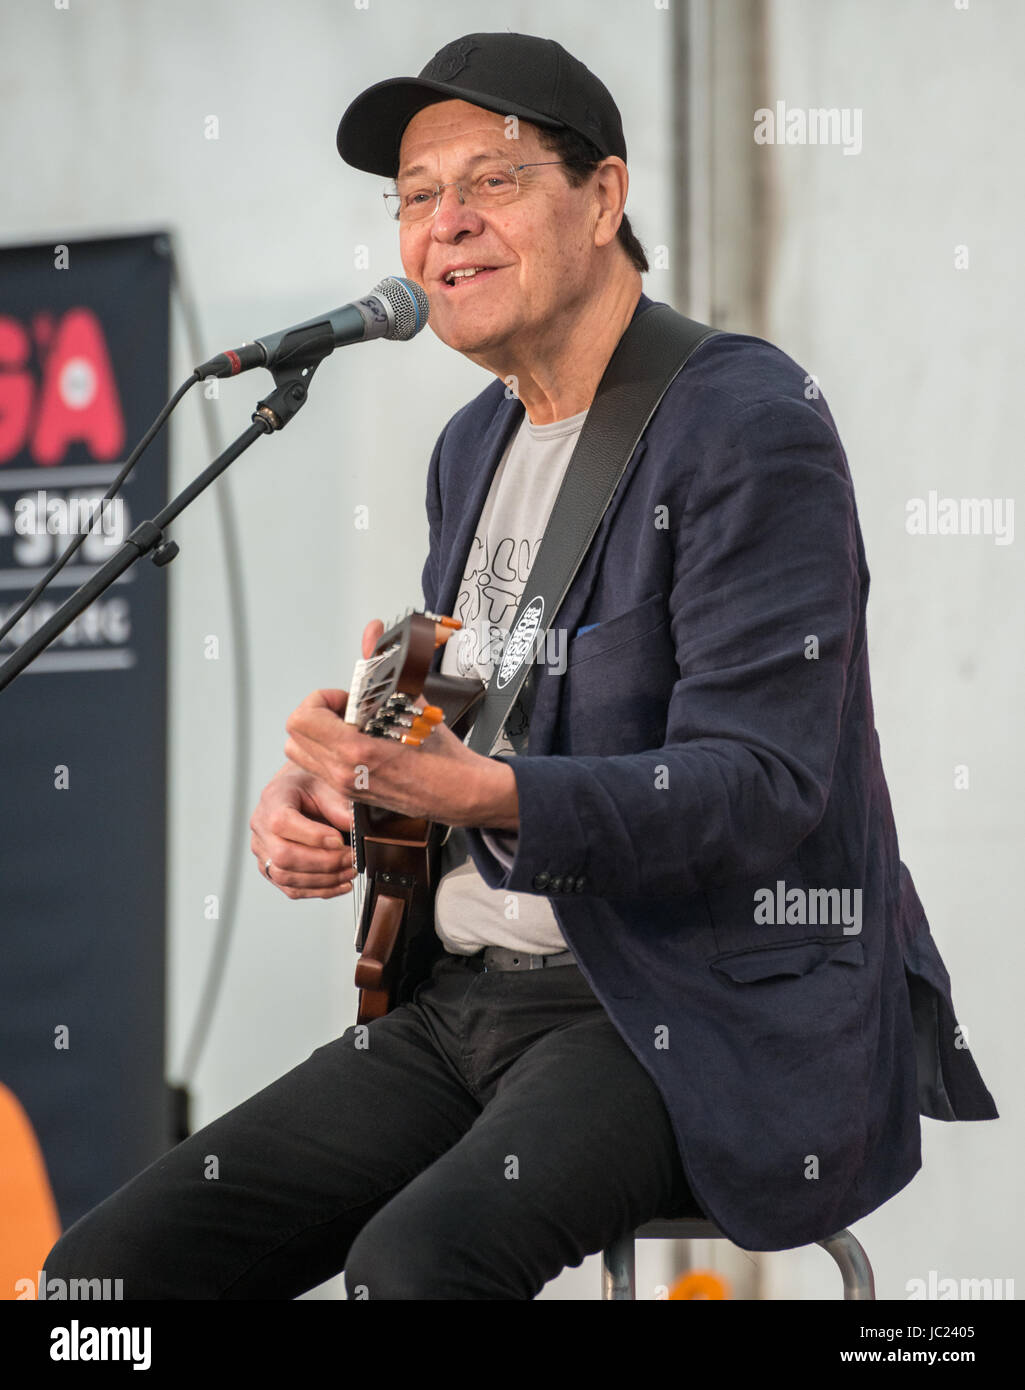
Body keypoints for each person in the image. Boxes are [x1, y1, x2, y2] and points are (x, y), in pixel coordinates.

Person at [44, 31, 997, 1300]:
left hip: (680, 1007)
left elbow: (762, 783)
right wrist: (351, 795)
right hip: (463, 1001)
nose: (447, 226)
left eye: (489, 181)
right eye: (416, 197)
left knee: (415, 1267)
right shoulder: (470, 444)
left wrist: (488, 800)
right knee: (103, 1280)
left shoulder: (748, 426)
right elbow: (475, 726)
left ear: (601, 197)